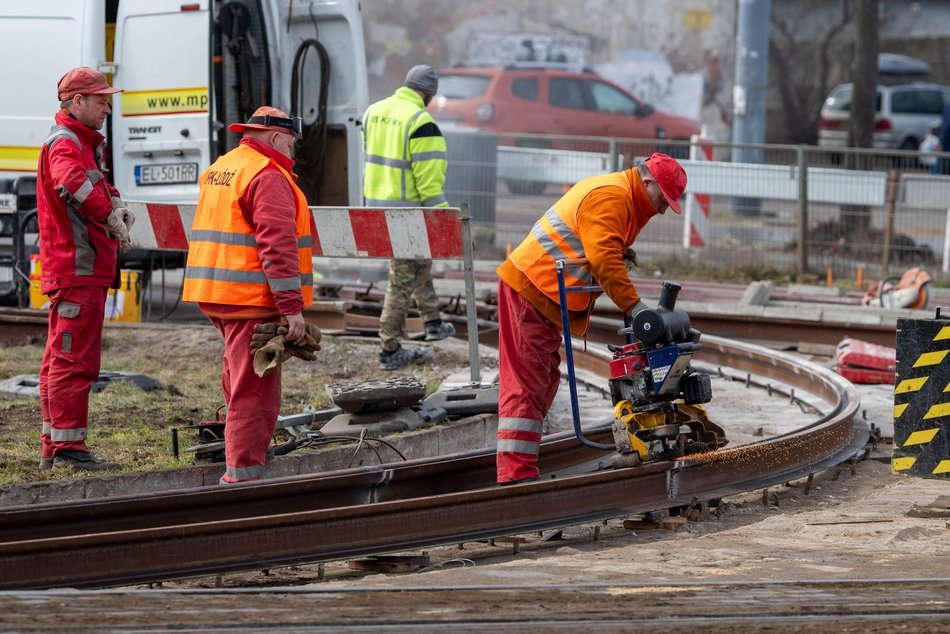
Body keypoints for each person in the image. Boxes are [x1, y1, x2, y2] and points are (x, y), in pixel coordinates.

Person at [494, 153, 688, 484]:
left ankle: (520, 467)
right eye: (663, 198)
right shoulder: (611, 197)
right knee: (527, 384)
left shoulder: (624, 201)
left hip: (542, 294)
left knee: (544, 380)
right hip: (531, 289)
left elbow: (600, 249)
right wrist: (636, 308)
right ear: (647, 182)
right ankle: (516, 478)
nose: (663, 209)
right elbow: (602, 258)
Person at [182, 106, 316, 484]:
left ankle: (247, 453)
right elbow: (277, 246)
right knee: (254, 390)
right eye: (290, 142)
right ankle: (244, 478)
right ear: (274, 138)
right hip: (250, 297)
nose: (293, 151)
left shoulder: (224, 166)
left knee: (237, 375)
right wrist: (292, 310)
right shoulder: (267, 176)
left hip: (218, 293)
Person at [36, 67, 134, 471]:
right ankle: (68, 450)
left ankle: (54, 445)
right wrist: (107, 215)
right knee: (74, 361)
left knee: (60, 359)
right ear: (77, 102)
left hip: (79, 269)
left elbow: (92, 183)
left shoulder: (81, 141)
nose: (107, 108)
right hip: (78, 269)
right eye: (101, 100)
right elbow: (74, 184)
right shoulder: (66, 144)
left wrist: (114, 202)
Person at [361, 64, 456, 371]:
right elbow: (428, 183)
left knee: (418, 264)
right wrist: (444, 220)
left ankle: (433, 323)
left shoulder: (373, 112)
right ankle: (389, 348)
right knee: (403, 276)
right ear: (428, 94)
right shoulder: (421, 122)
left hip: (376, 207)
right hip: (409, 211)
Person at [932, 101, 950, 175]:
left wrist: (941, 142)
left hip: (946, 143)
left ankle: (933, 184)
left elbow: (946, 125)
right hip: (946, 142)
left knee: (939, 168)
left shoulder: (948, 107)